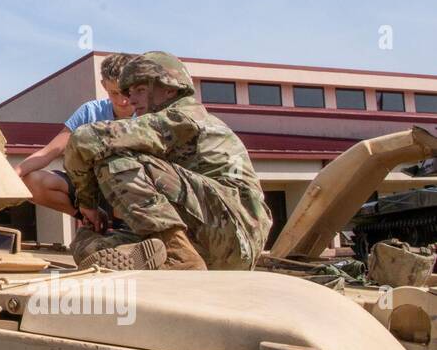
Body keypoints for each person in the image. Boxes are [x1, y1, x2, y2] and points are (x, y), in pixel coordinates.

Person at [63, 52, 273, 271]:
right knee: (86, 247)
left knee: (115, 160)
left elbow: (84, 138)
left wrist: (87, 203)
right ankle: (169, 252)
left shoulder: (184, 116)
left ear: (170, 89)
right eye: (129, 92)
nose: (131, 99)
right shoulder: (166, 123)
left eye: (140, 90)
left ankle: (178, 255)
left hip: (235, 231)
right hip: (209, 236)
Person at [16, 52, 137, 217]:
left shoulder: (151, 114)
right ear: (104, 85)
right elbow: (50, 152)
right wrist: (14, 174)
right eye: (114, 93)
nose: (122, 101)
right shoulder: (90, 111)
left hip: (135, 190)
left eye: (126, 93)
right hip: (92, 188)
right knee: (31, 181)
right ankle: (87, 216)